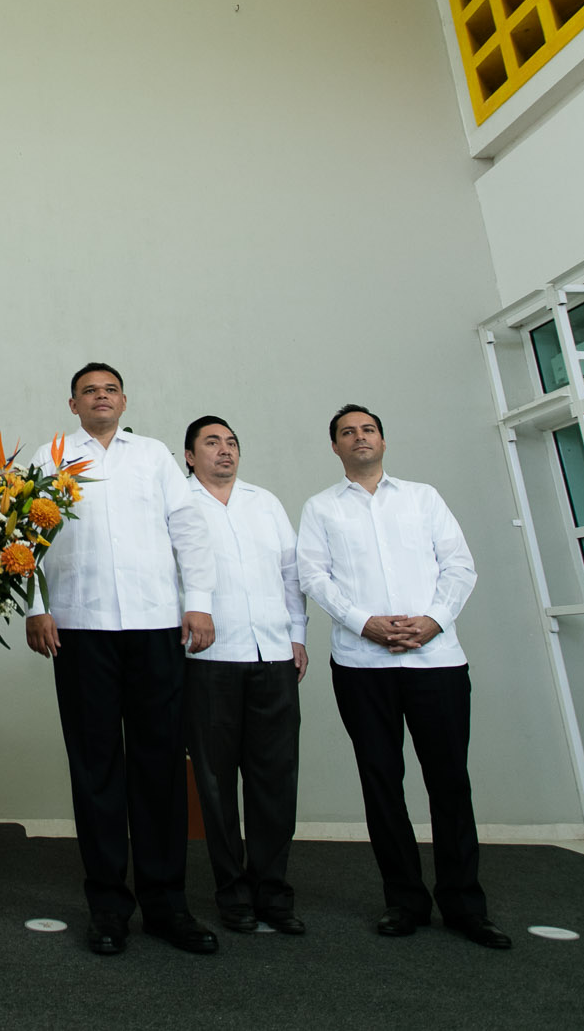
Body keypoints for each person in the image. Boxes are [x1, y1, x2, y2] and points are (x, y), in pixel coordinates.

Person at [296, 404, 510, 949]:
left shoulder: (423, 498)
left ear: (383, 442)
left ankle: (465, 904)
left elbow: (459, 566)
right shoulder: (321, 509)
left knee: (449, 783)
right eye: (347, 432)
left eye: (367, 429)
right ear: (335, 447)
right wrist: (362, 622)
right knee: (381, 784)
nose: (358, 437)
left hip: (435, 661)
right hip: (362, 665)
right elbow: (313, 578)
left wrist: (433, 622)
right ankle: (405, 900)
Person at [26, 364, 219, 956]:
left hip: (156, 625)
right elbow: (20, 536)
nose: (100, 397)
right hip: (80, 629)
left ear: (124, 400)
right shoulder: (49, 455)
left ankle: (167, 906)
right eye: (89, 391)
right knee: (96, 768)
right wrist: (36, 608)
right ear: (73, 403)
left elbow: (188, 529)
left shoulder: (156, 455)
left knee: (159, 767)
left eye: (109, 389)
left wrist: (200, 604)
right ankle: (108, 907)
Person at [180, 415, 307, 936]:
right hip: (208, 661)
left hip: (274, 656)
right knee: (215, 786)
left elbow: (290, 573)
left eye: (231, 442)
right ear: (189, 456)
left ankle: (273, 893)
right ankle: (233, 893)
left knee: (274, 783)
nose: (225, 450)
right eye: (211, 442)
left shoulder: (265, 501)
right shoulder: (178, 504)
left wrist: (297, 634)